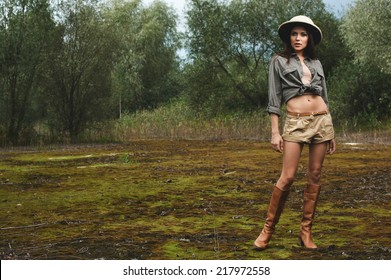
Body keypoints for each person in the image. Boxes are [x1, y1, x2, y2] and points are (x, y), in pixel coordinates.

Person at [253, 15, 336, 250]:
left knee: (315, 175)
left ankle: (305, 232)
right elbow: (273, 98)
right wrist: (274, 132)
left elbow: (325, 97)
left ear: (309, 38)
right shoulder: (278, 61)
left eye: (303, 34)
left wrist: (332, 132)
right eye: (294, 33)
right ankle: (267, 230)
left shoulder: (316, 63)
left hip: (322, 121)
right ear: (288, 37)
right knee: (287, 177)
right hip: (296, 122)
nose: (298, 38)